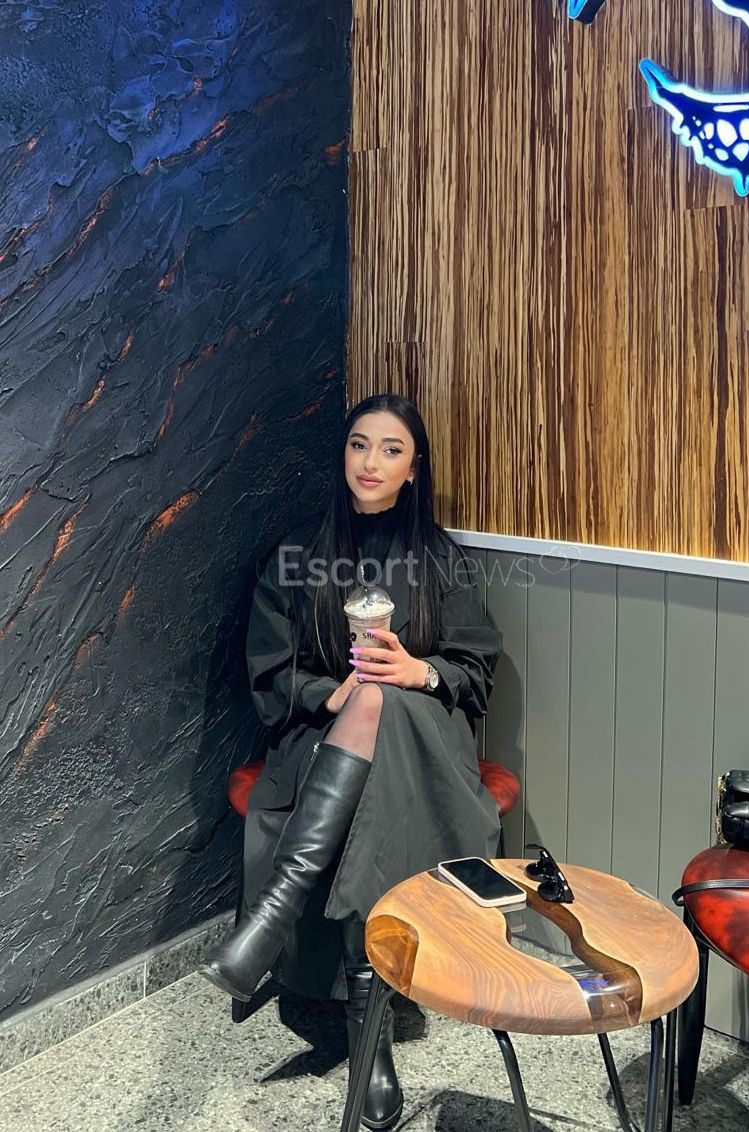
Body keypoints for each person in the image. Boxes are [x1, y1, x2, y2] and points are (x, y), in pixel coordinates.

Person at [202, 393, 503, 1130]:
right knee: (365, 715)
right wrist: (331, 693)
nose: (371, 462)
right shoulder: (297, 556)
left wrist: (418, 673)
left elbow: (476, 671)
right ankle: (373, 1041)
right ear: (342, 455)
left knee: (381, 699)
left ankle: (274, 914)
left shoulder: (442, 561)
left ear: (414, 468)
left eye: (391, 449)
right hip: (322, 738)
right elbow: (269, 672)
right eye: (359, 444)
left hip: (425, 737)